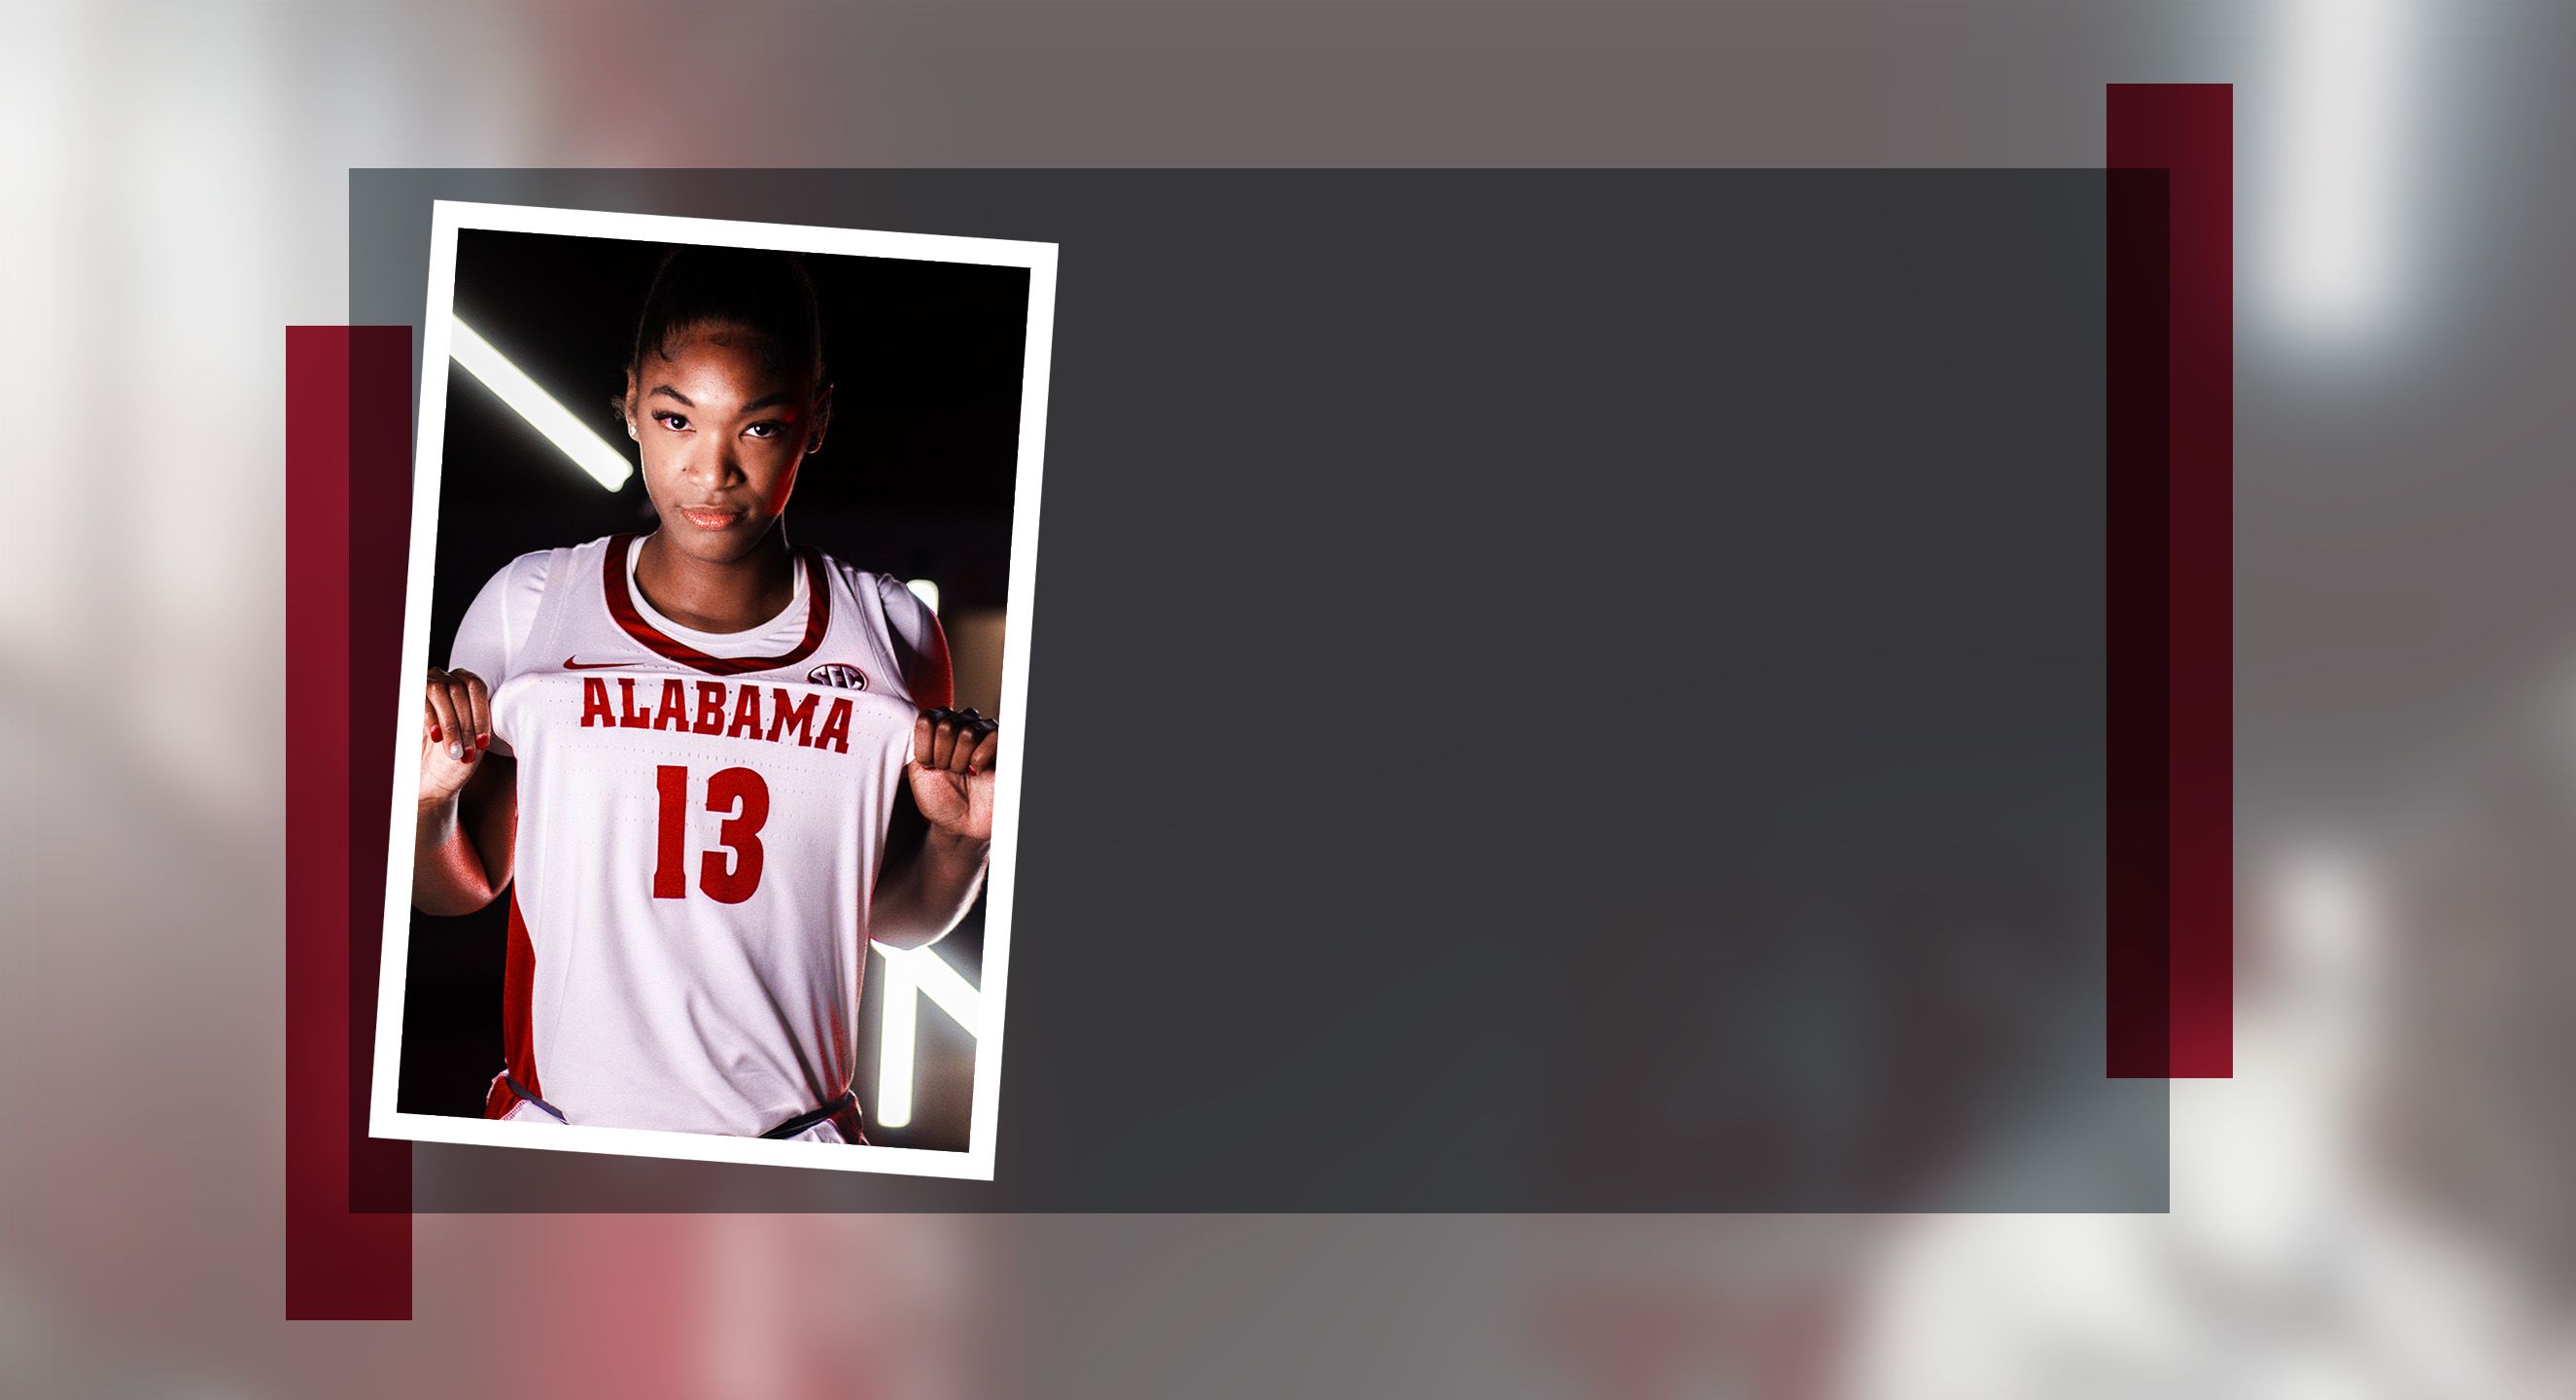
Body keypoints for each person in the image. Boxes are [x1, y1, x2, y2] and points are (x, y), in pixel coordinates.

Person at [411, 245, 998, 1145]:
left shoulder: (888, 631)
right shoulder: (533, 607)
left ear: (817, 419)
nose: (712, 470)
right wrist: (424, 806)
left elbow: (887, 917)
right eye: (677, 419)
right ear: (632, 408)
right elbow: (461, 886)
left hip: (795, 1142)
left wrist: (961, 841)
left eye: (757, 427)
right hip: (565, 1132)